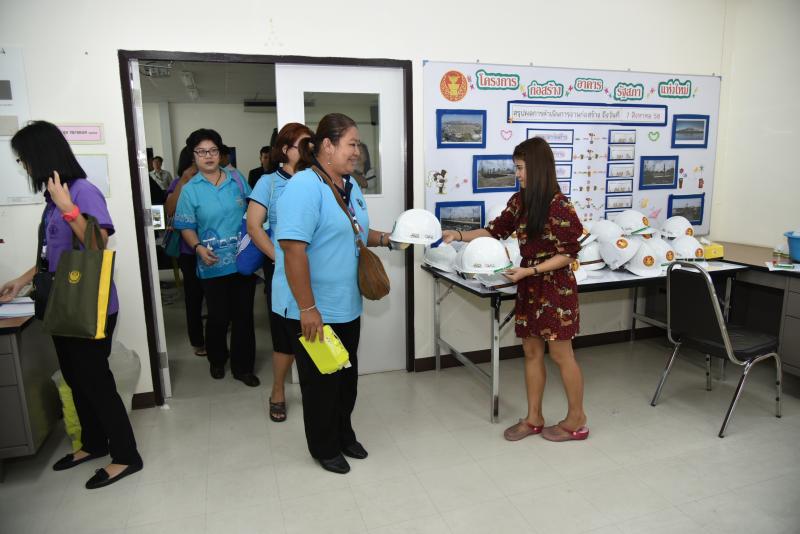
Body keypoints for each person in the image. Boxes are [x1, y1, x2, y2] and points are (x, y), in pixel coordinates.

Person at [1, 121, 143, 488]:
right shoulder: (53, 198)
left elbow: (97, 247)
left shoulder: (81, 192)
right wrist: (22, 279)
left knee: (96, 383)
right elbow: (54, 255)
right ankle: (93, 444)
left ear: (40, 155)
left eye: (23, 158)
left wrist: (69, 209)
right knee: (76, 379)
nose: (23, 166)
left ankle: (127, 456)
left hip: (88, 308)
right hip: (62, 306)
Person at [442, 136, 589, 442]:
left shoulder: (559, 205)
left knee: (561, 354)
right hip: (529, 285)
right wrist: (457, 234)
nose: (517, 174)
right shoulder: (519, 201)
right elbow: (494, 231)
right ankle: (534, 418)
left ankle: (577, 420)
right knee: (531, 351)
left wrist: (530, 270)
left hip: (555, 287)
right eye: (516, 168)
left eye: (521, 168)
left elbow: (568, 254)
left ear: (538, 167)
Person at [273, 113, 392, 474]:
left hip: (347, 304)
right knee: (321, 383)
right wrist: (308, 308)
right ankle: (324, 447)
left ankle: (343, 434)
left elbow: (356, 231)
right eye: (352, 144)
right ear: (327, 145)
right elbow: (293, 249)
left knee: (345, 379)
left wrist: (389, 239)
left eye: (358, 145)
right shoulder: (304, 187)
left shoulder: (349, 185)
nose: (357, 151)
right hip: (314, 309)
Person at [173, 129, 259, 387]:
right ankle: (217, 359)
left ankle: (243, 367)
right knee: (218, 316)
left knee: (243, 317)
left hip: (243, 261)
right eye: (201, 152)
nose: (208, 156)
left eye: (213, 150)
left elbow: (254, 211)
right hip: (211, 263)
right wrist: (198, 247)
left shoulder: (237, 180)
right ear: (193, 156)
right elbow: (186, 226)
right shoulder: (190, 190)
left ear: (220, 154)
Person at [246, 123, 313, 422]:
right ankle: (277, 390)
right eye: (303, 145)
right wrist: (280, 259)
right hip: (284, 272)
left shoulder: (316, 179)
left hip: (315, 271)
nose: (309, 150)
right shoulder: (269, 183)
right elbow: (253, 226)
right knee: (286, 338)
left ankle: (315, 391)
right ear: (285, 150)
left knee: (315, 333)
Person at [164, 146, 205, 356]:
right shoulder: (177, 183)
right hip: (189, 251)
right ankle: (198, 340)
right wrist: (183, 181)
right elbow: (169, 209)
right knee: (193, 297)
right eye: (193, 161)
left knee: (216, 296)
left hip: (214, 247)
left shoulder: (210, 180)